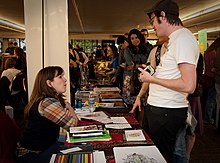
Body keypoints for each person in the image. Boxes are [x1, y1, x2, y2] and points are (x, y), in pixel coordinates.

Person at [138, 0, 199, 162]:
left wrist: (152, 79)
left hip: (167, 110)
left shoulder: (183, 39)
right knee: (153, 153)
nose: (153, 27)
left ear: (163, 16)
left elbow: (189, 85)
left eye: (153, 22)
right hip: (159, 108)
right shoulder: (175, 39)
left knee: (160, 157)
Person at [16, 66, 78, 163]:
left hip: (41, 148)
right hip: (32, 155)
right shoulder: (47, 103)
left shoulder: (45, 100)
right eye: (60, 77)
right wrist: (69, 107)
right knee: (80, 149)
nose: (65, 79)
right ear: (49, 83)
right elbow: (73, 126)